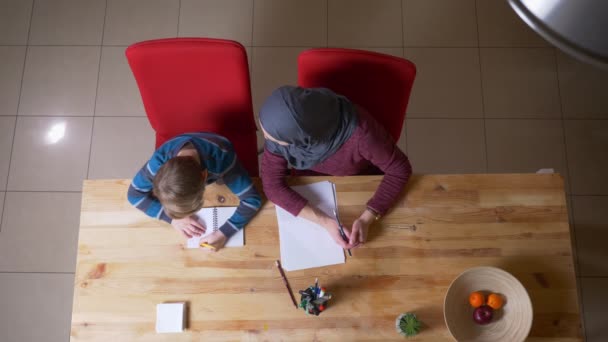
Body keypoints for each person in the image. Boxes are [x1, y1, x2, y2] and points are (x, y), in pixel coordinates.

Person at [260, 86, 412, 249]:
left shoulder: (362, 135)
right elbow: (271, 185)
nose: (266, 139)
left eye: (275, 139)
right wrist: (324, 221)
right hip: (310, 179)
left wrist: (368, 217)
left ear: (303, 137)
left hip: (355, 182)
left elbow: (399, 169)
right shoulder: (290, 128)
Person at [127, 133, 262, 251]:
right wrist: (173, 220)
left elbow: (252, 200)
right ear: (158, 175)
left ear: (205, 176)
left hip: (218, 147)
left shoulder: (221, 159)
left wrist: (223, 233)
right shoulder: (157, 163)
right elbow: (134, 194)